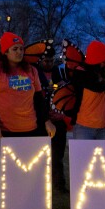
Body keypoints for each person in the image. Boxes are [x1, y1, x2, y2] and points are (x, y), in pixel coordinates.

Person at [0, 32, 56, 145]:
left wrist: (47, 121)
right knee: (7, 163)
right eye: (15, 49)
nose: (19, 52)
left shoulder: (32, 70)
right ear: (6, 52)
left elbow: (39, 99)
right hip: (4, 130)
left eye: (21, 49)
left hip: (30, 128)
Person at [69, 41, 105, 140]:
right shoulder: (80, 72)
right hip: (84, 125)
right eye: (103, 60)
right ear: (96, 59)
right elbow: (95, 86)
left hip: (102, 125)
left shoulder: (102, 74)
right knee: (83, 155)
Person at [37, 45, 70, 193]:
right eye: (45, 60)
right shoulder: (36, 74)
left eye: (51, 61)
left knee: (57, 156)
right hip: (41, 120)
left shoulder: (59, 73)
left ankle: (59, 185)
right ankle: (42, 185)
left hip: (58, 120)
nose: (48, 63)